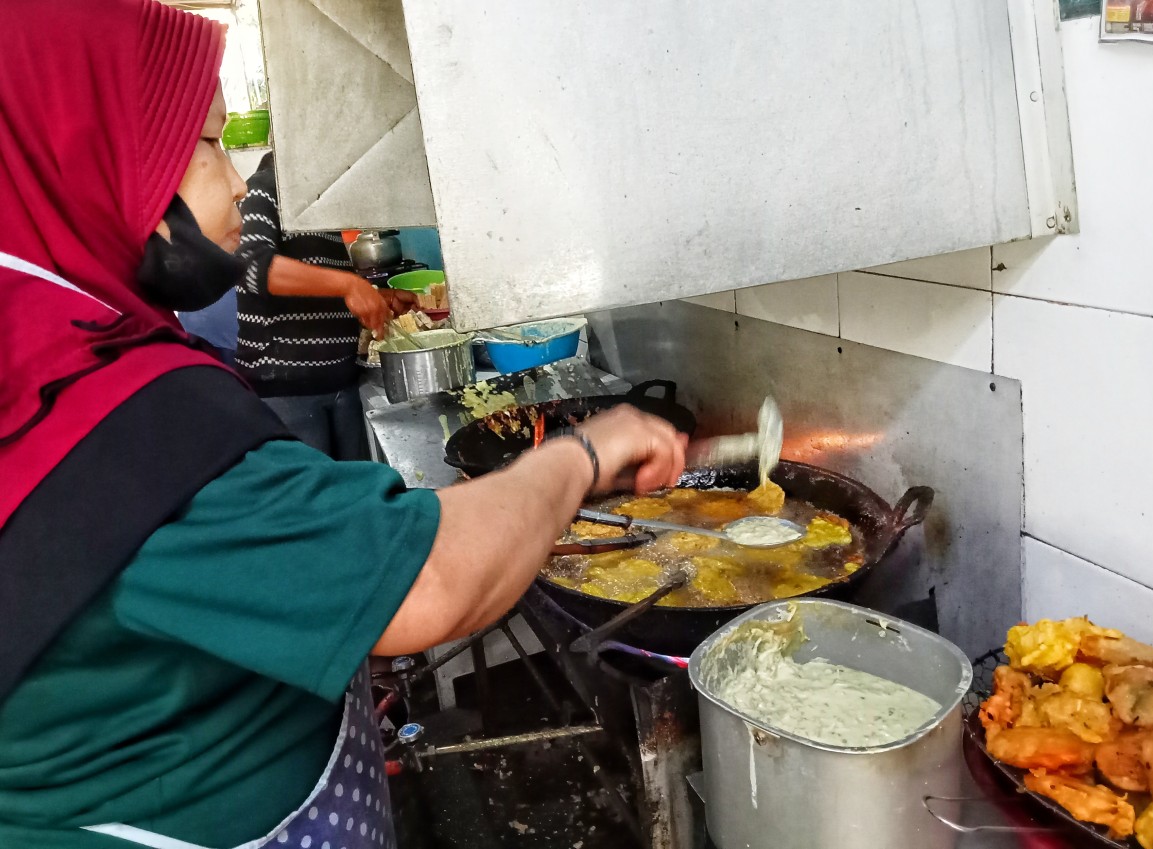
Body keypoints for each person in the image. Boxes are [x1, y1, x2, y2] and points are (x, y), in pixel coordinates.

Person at [0, 3, 686, 848]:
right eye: (208, 143)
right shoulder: (83, 408)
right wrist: (586, 450)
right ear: (96, 156)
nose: (229, 169)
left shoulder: (43, 362)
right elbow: (428, 585)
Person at [234, 151, 411, 460]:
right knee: (315, 503)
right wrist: (350, 285)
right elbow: (253, 267)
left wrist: (374, 298)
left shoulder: (317, 209)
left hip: (339, 383)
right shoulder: (263, 190)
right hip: (287, 393)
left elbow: (321, 286)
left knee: (352, 496)